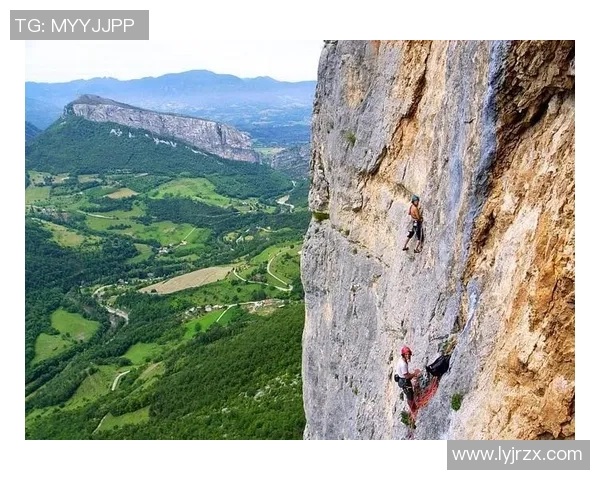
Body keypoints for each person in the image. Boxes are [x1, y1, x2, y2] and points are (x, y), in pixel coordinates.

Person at [395, 346, 420, 412]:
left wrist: (412, 374)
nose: (408, 356)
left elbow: (406, 374)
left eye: (408, 354)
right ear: (403, 355)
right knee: (410, 396)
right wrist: (414, 374)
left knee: (410, 395)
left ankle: (413, 408)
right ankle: (414, 410)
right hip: (405, 382)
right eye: (406, 354)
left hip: (402, 379)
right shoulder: (403, 364)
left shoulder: (401, 359)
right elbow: (407, 376)